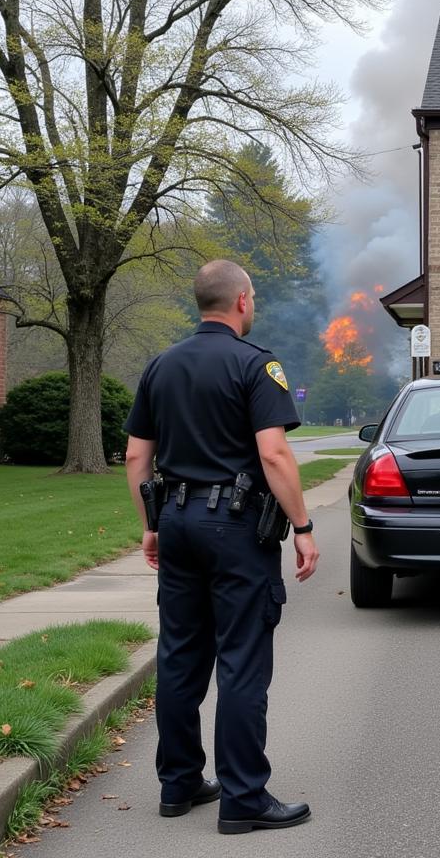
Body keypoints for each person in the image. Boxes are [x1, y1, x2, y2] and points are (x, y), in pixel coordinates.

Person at [124, 259, 319, 835]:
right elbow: (274, 454)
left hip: (177, 523)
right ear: (240, 302)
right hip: (235, 531)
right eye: (252, 296)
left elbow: (138, 457)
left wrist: (151, 523)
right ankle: (243, 798)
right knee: (241, 662)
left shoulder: (160, 366)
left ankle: (178, 783)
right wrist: (303, 527)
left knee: (179, 657)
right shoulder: (257, 366)